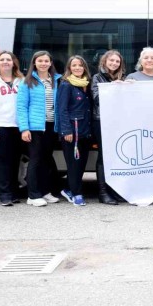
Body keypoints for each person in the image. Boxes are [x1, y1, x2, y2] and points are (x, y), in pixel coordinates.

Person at [126, 46, 153, 203]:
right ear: (141, 61)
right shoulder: (132, 77)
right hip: (138, 125)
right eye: (146, 57)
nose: (149, 60)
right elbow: (125, 101)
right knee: (140, 160)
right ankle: (137, 191)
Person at [17, 50, 62, 207]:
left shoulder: (57, 80)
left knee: (46, 160)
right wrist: (24, 129)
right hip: (35, 127)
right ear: (34, 63)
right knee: (35, 159)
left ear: (50, 63)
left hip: (51, 126)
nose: (43, 63)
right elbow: (21, 107)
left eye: (46, 61)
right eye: (40, 61)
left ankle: (45, 192)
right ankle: (33, 195)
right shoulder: (27, 82)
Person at [0, 51, 24, 206]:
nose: (6, 62)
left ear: (14, 63)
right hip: (1, 127)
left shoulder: (21, 81)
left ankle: (14, 192)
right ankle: (4, 194)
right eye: (2, 60)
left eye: (9, 59)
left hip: (18, 127)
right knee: (2, 162)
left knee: (15, 161)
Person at [90, 49, 126, 205]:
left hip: (119, 121)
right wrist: (113, 86)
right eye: (111, 60)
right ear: (104, 61)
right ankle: (103, 193)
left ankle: (113, 191)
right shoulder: (97, 77)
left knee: (117, 156)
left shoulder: (123, 78)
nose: (114, 63)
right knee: (104, 156)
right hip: (101, 121)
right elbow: (97, 98)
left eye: (117, 61)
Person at [57, 55, 93, 207]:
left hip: (85, 131)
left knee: (81, 164)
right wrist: (66, 131)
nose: (77, 68)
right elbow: (62, 109)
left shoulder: (86, 84)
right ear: (69, 68)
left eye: (80, 65)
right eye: (74, 65)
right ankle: (77, 194)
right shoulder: (66, 84)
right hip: (72, 132)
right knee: (73, 165)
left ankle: (69, 190)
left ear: (85, 67)